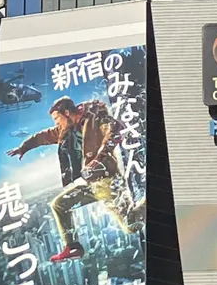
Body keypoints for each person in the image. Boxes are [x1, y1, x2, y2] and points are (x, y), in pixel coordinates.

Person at [8, 96, 145, 261]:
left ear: (67, 113)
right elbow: (43, 136)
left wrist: (98, 159)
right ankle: (73, 247)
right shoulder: (66, 129)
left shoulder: (96, 117)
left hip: (107, 181)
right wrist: (24, 147)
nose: (56, 123)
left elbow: (115, 132)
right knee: (59, 205)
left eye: (57, 118)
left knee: (130, 226)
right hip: (91, 183)